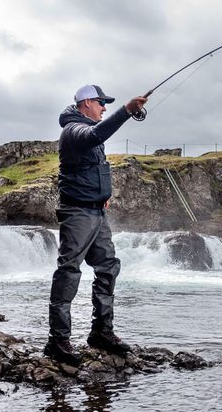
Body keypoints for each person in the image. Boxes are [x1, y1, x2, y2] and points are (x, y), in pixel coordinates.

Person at [44, 84, 147, 365]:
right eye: (101, 103)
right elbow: (95, 135)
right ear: (86, 102)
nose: (104, 108)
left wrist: (102, 197)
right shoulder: (74, 130)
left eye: (107, 104)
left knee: (108, 267)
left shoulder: (85, 129)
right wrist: (126, 111)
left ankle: (101, 332)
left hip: (96, 213)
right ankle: (58, 341)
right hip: (77, 214)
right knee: (69, 271)